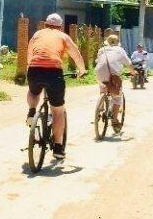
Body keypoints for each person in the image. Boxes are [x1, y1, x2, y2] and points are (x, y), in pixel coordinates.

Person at [26, 13, 87, 159]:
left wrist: (31, 66)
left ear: (45, 24)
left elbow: (29, 53)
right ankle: (58, 148)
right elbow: (76, 55)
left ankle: (32, 111)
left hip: (35, 68)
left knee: (34, 92)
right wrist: (82, 70)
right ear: (60, 26)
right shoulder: (64, 37)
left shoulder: (37, 34)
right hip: (54, 72)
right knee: (58, 111)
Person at [95, 35, 135, 132]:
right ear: (118, 42)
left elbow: (97, 61)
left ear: (107, 42)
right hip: (113, 75)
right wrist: (133, 72)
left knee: (103, 88)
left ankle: (100, 107)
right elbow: (129, 64)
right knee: (117, 97)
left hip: (99, 73)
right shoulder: (120, 50)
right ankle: (114, 120)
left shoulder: (102, 49)